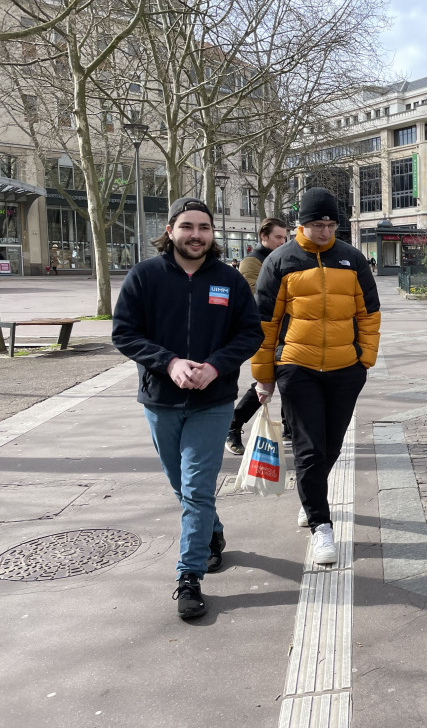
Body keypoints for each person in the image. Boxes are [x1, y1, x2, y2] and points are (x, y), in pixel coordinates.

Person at [112, 197, 263, 619]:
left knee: (196, 489)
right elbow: (124, 333)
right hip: (160, 401)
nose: (196, 235)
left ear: (212, 234)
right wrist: (170, 363)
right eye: (187, 227)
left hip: (212, 403)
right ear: (170, 230)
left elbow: (250, 333)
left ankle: (188, 576)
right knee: (182, 487)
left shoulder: (229, 281)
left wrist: (215, 366)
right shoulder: (144, 276)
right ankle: (211, 534)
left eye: (204, 227)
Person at [252, 188, 380, 564]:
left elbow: (369, 315)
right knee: (309, 450)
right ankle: (321, 525)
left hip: (345, 369)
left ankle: (311, 498)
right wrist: (264, 376)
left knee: (331, 447)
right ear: (300, 225)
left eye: (330, 225)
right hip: (297, 367)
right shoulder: (279, 261)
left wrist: (364, 362)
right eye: (316, 225)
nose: (324, 232)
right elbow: (264, 323)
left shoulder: (352, 259)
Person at [225, 217, 290, 455]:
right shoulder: (252, 262)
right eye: (278, 237)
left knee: (290, 379)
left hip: (288, 331)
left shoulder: (287, 257)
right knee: (265, 384)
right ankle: (233, 426)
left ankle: (290, 429)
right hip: (264, 332)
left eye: (285, 237)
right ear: (263, 236)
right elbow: (258, 297)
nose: (283, 241)